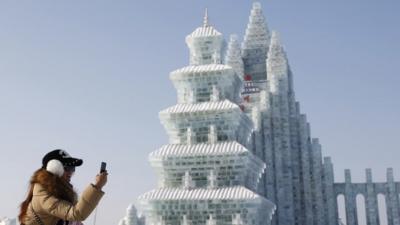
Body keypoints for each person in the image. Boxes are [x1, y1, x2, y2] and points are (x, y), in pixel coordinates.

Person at [18, 149, 108, 225]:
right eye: (67, 168)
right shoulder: (43, 195)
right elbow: (76, 213)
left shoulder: (61, 193)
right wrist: (97, 186)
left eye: (73, 168)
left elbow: (74, 220)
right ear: (54, 169)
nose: (71, 173)